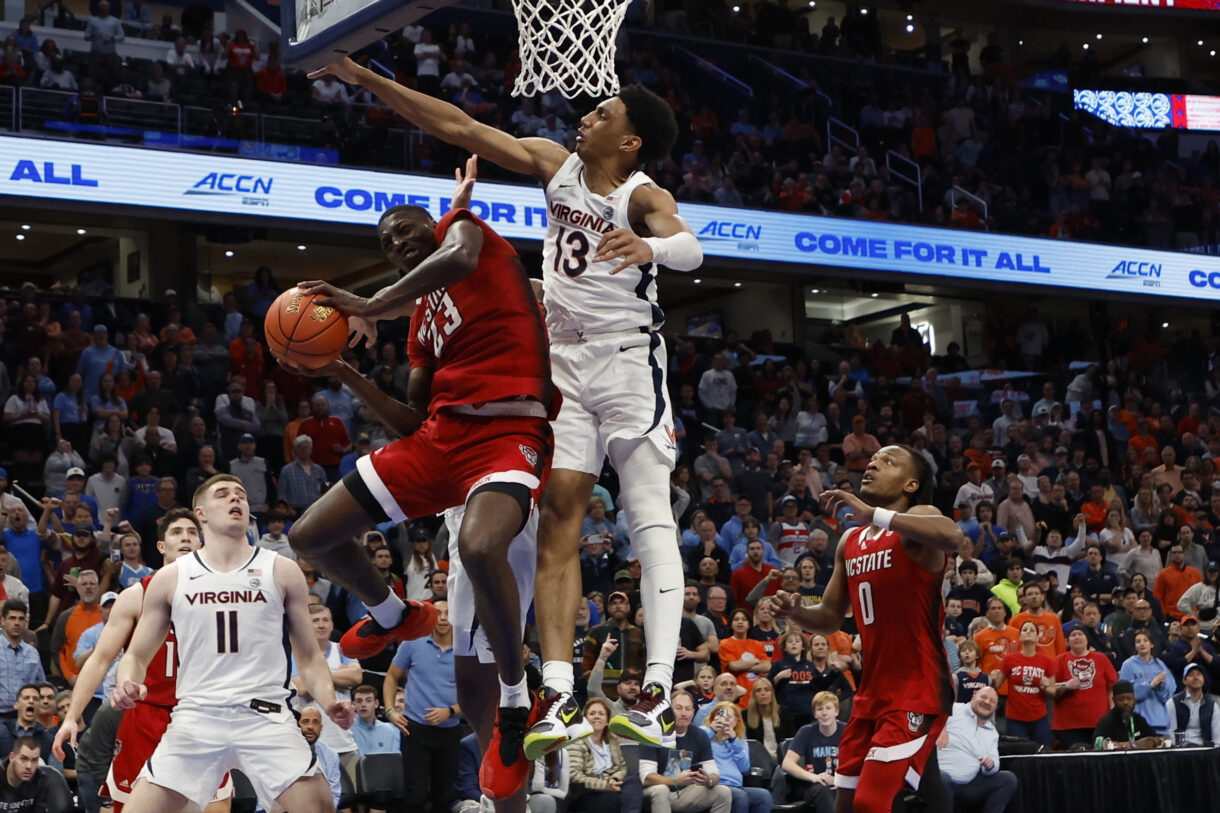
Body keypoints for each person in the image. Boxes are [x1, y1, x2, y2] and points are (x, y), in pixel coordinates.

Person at [307, 49, 704, 755]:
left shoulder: (640, 193)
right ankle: (554, 693)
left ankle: (659, 692)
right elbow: (458, 124)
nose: (589, 113)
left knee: (648, 515)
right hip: (564, 366)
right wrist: (366, 79)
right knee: (557, 518)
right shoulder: (555, 164)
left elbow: (689, 245)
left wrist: (651, 250)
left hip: (627, 359)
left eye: (604, 112)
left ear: (631, 140)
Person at [289, 156, 555, 802]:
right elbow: (413, 415)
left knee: (481, 547)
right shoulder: (420, 320)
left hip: (509, 430)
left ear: (434, 222)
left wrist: (367, 301)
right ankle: (396, 610)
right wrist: (346, 372)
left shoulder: (469, 236)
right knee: (310, 534)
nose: (397, 242)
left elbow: (456, 255)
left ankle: (522, 699)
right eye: (385, 241)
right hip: (444, 443)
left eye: (407, 230)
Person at [110, 475, 354, 813]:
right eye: (222, 495)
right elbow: (136, 654)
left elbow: (311, 657)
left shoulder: (281, 570)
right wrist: (127, 682)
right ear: (202, 513)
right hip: (197, 716)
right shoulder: (171, 577)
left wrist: (328, 701)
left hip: (266, 715)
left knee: (319, 806)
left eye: (240, 494)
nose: (234, 499)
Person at [769, 445, 960, 813]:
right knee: (848, 803)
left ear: (910, 484)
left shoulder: (919, 519)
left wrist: (874, 513)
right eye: (872, 460)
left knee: (871, 803)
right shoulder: (850, 541)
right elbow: (829, 615)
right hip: (871, 691)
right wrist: (797, 609)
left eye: (888, 461)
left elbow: (951, 537)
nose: (873, 463)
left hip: (916, 687)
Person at [383, 600, 461, 811]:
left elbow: (477, 694)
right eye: (438, 613)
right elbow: (391, 676)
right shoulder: (413, 642)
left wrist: (451, 711)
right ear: (431, 617)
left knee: (444, 798)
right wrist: (390, 710)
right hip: (415, 729)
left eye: (448, 613)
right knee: (414, 796)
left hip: (450, 730)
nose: (443, 618)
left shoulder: (466, 648)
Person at [290, 605, 360, 789]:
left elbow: (356, 677)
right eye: (315, 620)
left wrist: (316, 675)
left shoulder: (342, 650)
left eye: (325, 620)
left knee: (350, 803)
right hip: (309, 746)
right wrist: (338, 675)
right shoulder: (295, 654)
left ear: (332, 625)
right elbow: (303, 687)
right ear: (307, 625)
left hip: (343, 742)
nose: (321, 625)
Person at [639, 689, 729, 813]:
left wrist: (708, 780)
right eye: (678, 708)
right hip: (654, 792)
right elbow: (647, 778)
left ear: (693, 712)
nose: (684, 713)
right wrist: (675, 780)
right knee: (661, 790)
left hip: (684, 792)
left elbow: (714, 772)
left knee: (723, 792)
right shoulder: (652, 734)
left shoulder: (700, 735)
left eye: (688, 709)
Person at [936, 687, 1016, 813]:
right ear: (973, 696)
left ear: (995, 707)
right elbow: (933, 710)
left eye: (992, 701)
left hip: (969, 786)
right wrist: (941, 727)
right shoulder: (955, 709)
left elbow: (995, 764)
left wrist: (990, 765)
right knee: (942, 778)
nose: (987, 702)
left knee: (1008, 779)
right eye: (983, 697)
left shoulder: (992, 733)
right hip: (940, 778)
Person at [566, 698, 639, 813]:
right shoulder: (576, 742)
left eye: (601, 714)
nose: (596, 717)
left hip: (611, 786)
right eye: (592, 714)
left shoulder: (613, 741)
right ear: (584, 719)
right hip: (587, 792)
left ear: (607, 721)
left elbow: (622, 768)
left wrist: (614, 779)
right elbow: (574, 776)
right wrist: (604, 786)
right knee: (616, 798)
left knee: (633, 781)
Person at [990, 620, 1056, 746]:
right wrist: (992, 679)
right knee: (1018, 754)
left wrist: (1046, 687)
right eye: (1025, 630)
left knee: (1043, 753)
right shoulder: (1009, 659)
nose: (1028, 632)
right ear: (1020, 637)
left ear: (1038, 637)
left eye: (1032, 630)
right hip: (1015, 718)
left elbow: (1053, 692)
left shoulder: (1047, 661)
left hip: (1039, 718)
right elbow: (995, 687)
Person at [1051, 627, 1118, 749]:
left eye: (1080, 634)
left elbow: (1112, 688)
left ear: (1087, 639)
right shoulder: (1059, 660)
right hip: (1068, 725)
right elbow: (1048, 687)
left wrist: (1112, 712)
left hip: (1099, 722)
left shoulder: (1101, 658)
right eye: (1073, 635)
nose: (1076, 637)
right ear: (1067, 641)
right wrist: (1065, 685)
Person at [777, 691, 843, 813]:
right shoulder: (806, 732)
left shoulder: (846, 731)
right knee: (824, 790)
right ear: (814, 714)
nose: (824, 713)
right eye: (819, 709)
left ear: (836, 711)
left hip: (840, 782)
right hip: (813, 785)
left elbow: (859, 762)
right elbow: (787, 763)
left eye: (828, 708)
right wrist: (814, 777)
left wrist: (840, 780)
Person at [699, 702, 771, 813]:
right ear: (713, 718)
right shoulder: (704, 733)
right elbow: (697, 746)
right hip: (714, 786)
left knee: (763, 796)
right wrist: (712, 730)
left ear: (736, 721)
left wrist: (733, 740)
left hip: (736, 786)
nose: (724, 721)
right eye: (721, 716)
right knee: (740, 797)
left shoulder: (740, 742)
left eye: (729, 718)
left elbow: (745, 768)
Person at [1119, 629, 1176, 735]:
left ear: (1152, 644)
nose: (1142, 644)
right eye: (1138, 641)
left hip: (1161, 720)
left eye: (1145, 640)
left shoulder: (1160, 665)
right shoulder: (1128, 665)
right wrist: (1149, 686)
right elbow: (1124, 695)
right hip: (1138, 720)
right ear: (1135, 646)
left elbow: (1169, 696)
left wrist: (1161, 687)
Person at [0, 601, 43, 713]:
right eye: (12, 618)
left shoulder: (32, 653)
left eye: (21, 619)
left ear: (26, 622)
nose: (17, 623)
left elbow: (41, 685)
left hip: (25, 716)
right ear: (3, 621)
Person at [1092, 680, 1162, 749]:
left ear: (1134, 700)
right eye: (1121, 699)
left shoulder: (1138, 719)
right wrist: (1131, 745)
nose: (1125, 702)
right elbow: (1097, 744)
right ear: (1114, 700)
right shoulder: (1106, 721)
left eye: (1129, 699)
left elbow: (1154, 740)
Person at [298, 707, 343, 810]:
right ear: (296, 725)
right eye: (305, 722)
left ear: (321, 728)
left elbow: (334, 793)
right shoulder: (282, 752)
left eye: (315, 722)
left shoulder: (330, 755)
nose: (310, 727)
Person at [1168, 662, 1220, 746]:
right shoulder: (1172, 703)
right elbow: (1170, 732)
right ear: (1184, 681)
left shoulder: (1213, 705)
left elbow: (1217, 738)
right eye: (1191, 675)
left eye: (1199, 674)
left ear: (1203, 679)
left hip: (1204, 750)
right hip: (1180, 750)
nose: (1196, 678)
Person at [0, 737, 56, 810]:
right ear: (12, 757)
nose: (29, 766)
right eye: (23, 759)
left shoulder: (40, 780)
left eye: (34, 760)